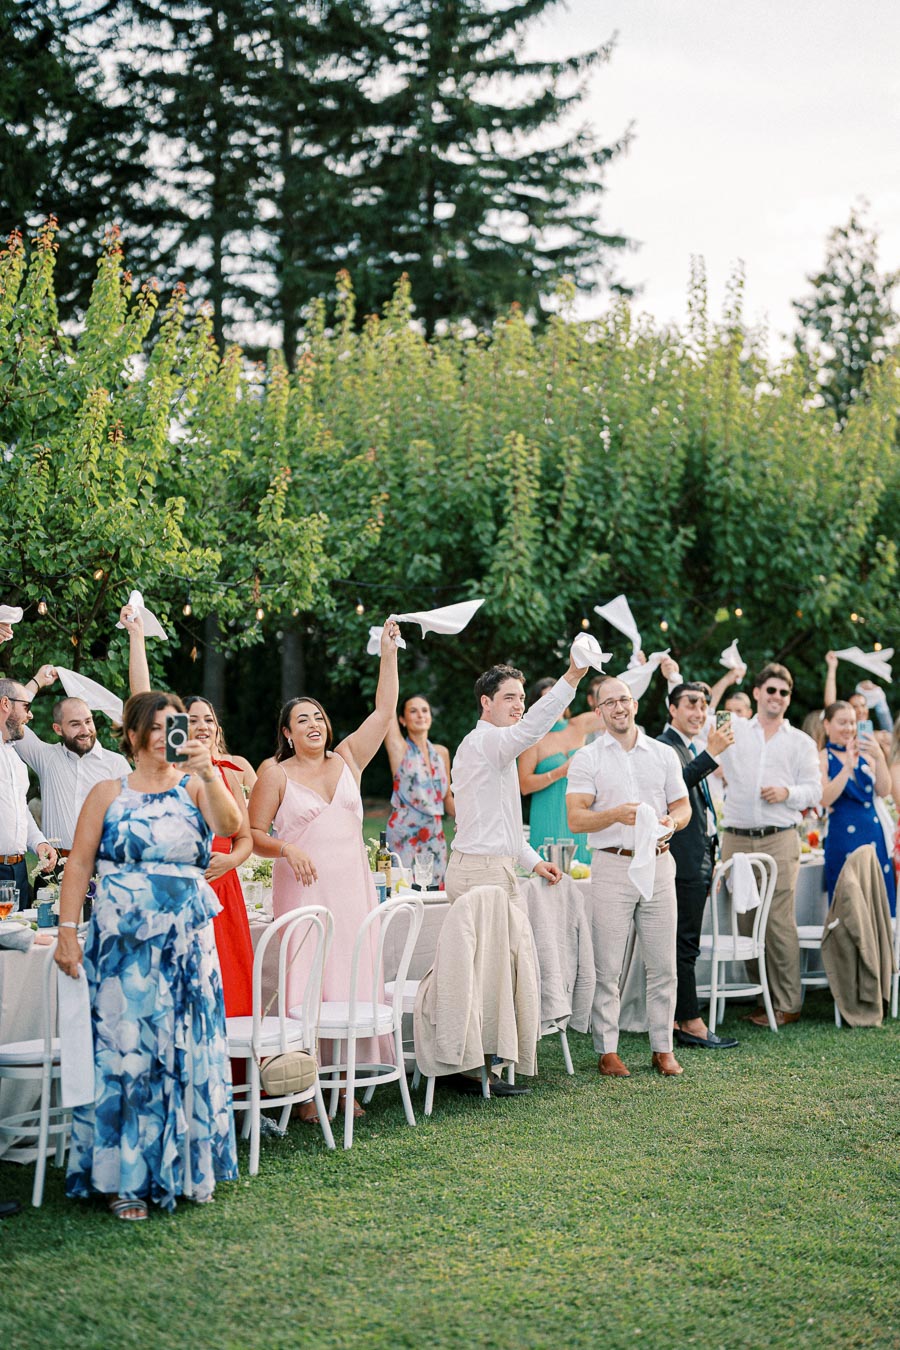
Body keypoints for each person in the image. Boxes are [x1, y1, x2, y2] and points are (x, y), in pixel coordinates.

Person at [55, 691, 242, 1219]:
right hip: (122, 950)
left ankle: (185, 1169)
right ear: (134, 735)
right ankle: (125, 1181)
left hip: (185, 944)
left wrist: (208, 773)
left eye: (173, 726)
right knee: (126, 1054)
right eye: (155, 728)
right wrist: (68, 931)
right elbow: (79, 866)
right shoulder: (105, 792)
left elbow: (231, 829)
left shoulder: (195, 786)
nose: (165, 736)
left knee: (185, 1047)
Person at [248, 620, 403, 1120]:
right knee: (308, 983)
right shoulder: (275, 773)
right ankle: (307, 1086)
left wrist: (387, 652)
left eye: (319, 717)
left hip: (353, 892)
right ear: (287, 733)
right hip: (303, 894)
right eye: (303, 720)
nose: (314, 724)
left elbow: (383, 710)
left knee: (350, 980)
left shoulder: (349, 758)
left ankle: (345, 1087)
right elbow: (252, 835)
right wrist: (287, 849)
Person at [123, 605, 255, 1014]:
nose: (201, 724)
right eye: (191, 719)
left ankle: (237, 1072)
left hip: (224, 888)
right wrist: (136, 637)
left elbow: (247, 837)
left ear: (217, 727)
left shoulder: (232, 772)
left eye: (208, 719)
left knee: (231, 982)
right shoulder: (173, 767)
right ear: (179, 728)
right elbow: (141, 701)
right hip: (177, 886)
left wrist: (230, 860)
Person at [567, 674, 691, 1077]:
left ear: (635, 703)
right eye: (609, 703)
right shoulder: (588, 757)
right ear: (598, 710)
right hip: (612, 864)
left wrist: (672, 823)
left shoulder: (662, 753)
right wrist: (616, 814)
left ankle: (662, 1046)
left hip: (658, 864)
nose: (619, 707)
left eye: (624, 699)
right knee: (608, 965)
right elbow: (576, 817)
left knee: (663, 964)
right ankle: (607, 1049)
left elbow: (682, 806)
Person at [716, 663, 822, 1028]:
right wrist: (727, 679)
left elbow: (815, 790)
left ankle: (788, 1003)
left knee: (777, 921)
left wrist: (787, 793)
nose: (777, 697)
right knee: (744, 920)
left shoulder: (801, 742)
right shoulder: (734, 729)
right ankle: (763, 998)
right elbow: (705, 738)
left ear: (788, 699)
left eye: (784, 692)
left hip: (779, 837)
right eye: (771, 690)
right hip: (735, 836)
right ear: (758, 692)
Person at [446, 651, 589, 905]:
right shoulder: (487, 741)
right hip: (485, 873)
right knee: (509, 946)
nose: (519, 706)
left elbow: (502, 826)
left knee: (515, 945)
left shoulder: (488, 746)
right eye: (509, 697)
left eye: (521, 698)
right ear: (486, 703)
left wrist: (535, 863)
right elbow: (531, 729)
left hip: (483, 867)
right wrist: (572, 676)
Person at [658, 683, 738, 1050]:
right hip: (682, 859)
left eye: (704, 705)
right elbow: (673, 787)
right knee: (685, 944)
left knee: (685, 942)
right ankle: (690, 1022)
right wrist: (711, 754)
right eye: (691, 703)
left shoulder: (687, 747)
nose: (699, 712)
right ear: (672, 708)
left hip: (699, 857)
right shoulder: (664, 746)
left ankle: (679, 1016)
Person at [14, 664, 130, 853]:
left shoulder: (116, 764)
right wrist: (37, 681)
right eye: (75, 724)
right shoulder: (46, 757)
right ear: (57, 729)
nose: (85, 730)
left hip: (101, 864)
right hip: (54, 865)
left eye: (88, 721)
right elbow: (10, 718)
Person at [820, 700, 895, 916]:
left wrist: (879, 757)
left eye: (852, 723)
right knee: (849, 906)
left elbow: (884, 790)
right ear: (827, 725)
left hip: (873, 836)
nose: (849, 728)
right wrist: (846, 768)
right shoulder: (823, 757)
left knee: (878, 904)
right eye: (842, 722)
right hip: (843, 837)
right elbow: (825, 798)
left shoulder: (867, 754)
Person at [517, 678, 596, 864]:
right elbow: (524, 786)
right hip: (548, 812)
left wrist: (638, 668)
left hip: (580, 810)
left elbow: (617, 709)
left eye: (559, 698)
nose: (555, 704)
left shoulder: (579, 725)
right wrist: (559, 772)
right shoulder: (533, 739)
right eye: (548, 700)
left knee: (584, 871)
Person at [385, 694, 454, 885]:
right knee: (405, 891)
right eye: (413, 711)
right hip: (404, 835)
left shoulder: (441, 753)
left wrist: (468, 820)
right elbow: (386, 710)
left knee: (435, 891)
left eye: (424, 710)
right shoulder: (399, 748)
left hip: (434, 834)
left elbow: (447, 797)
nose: (420, 715)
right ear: (402, 720)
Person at [0, 677, 57, 907]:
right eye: (26, 706)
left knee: (20, 940)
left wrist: (39, 843)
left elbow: (19, 810)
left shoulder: (15, 757)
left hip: (19, 871)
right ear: (5, 704)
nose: (30, 715)